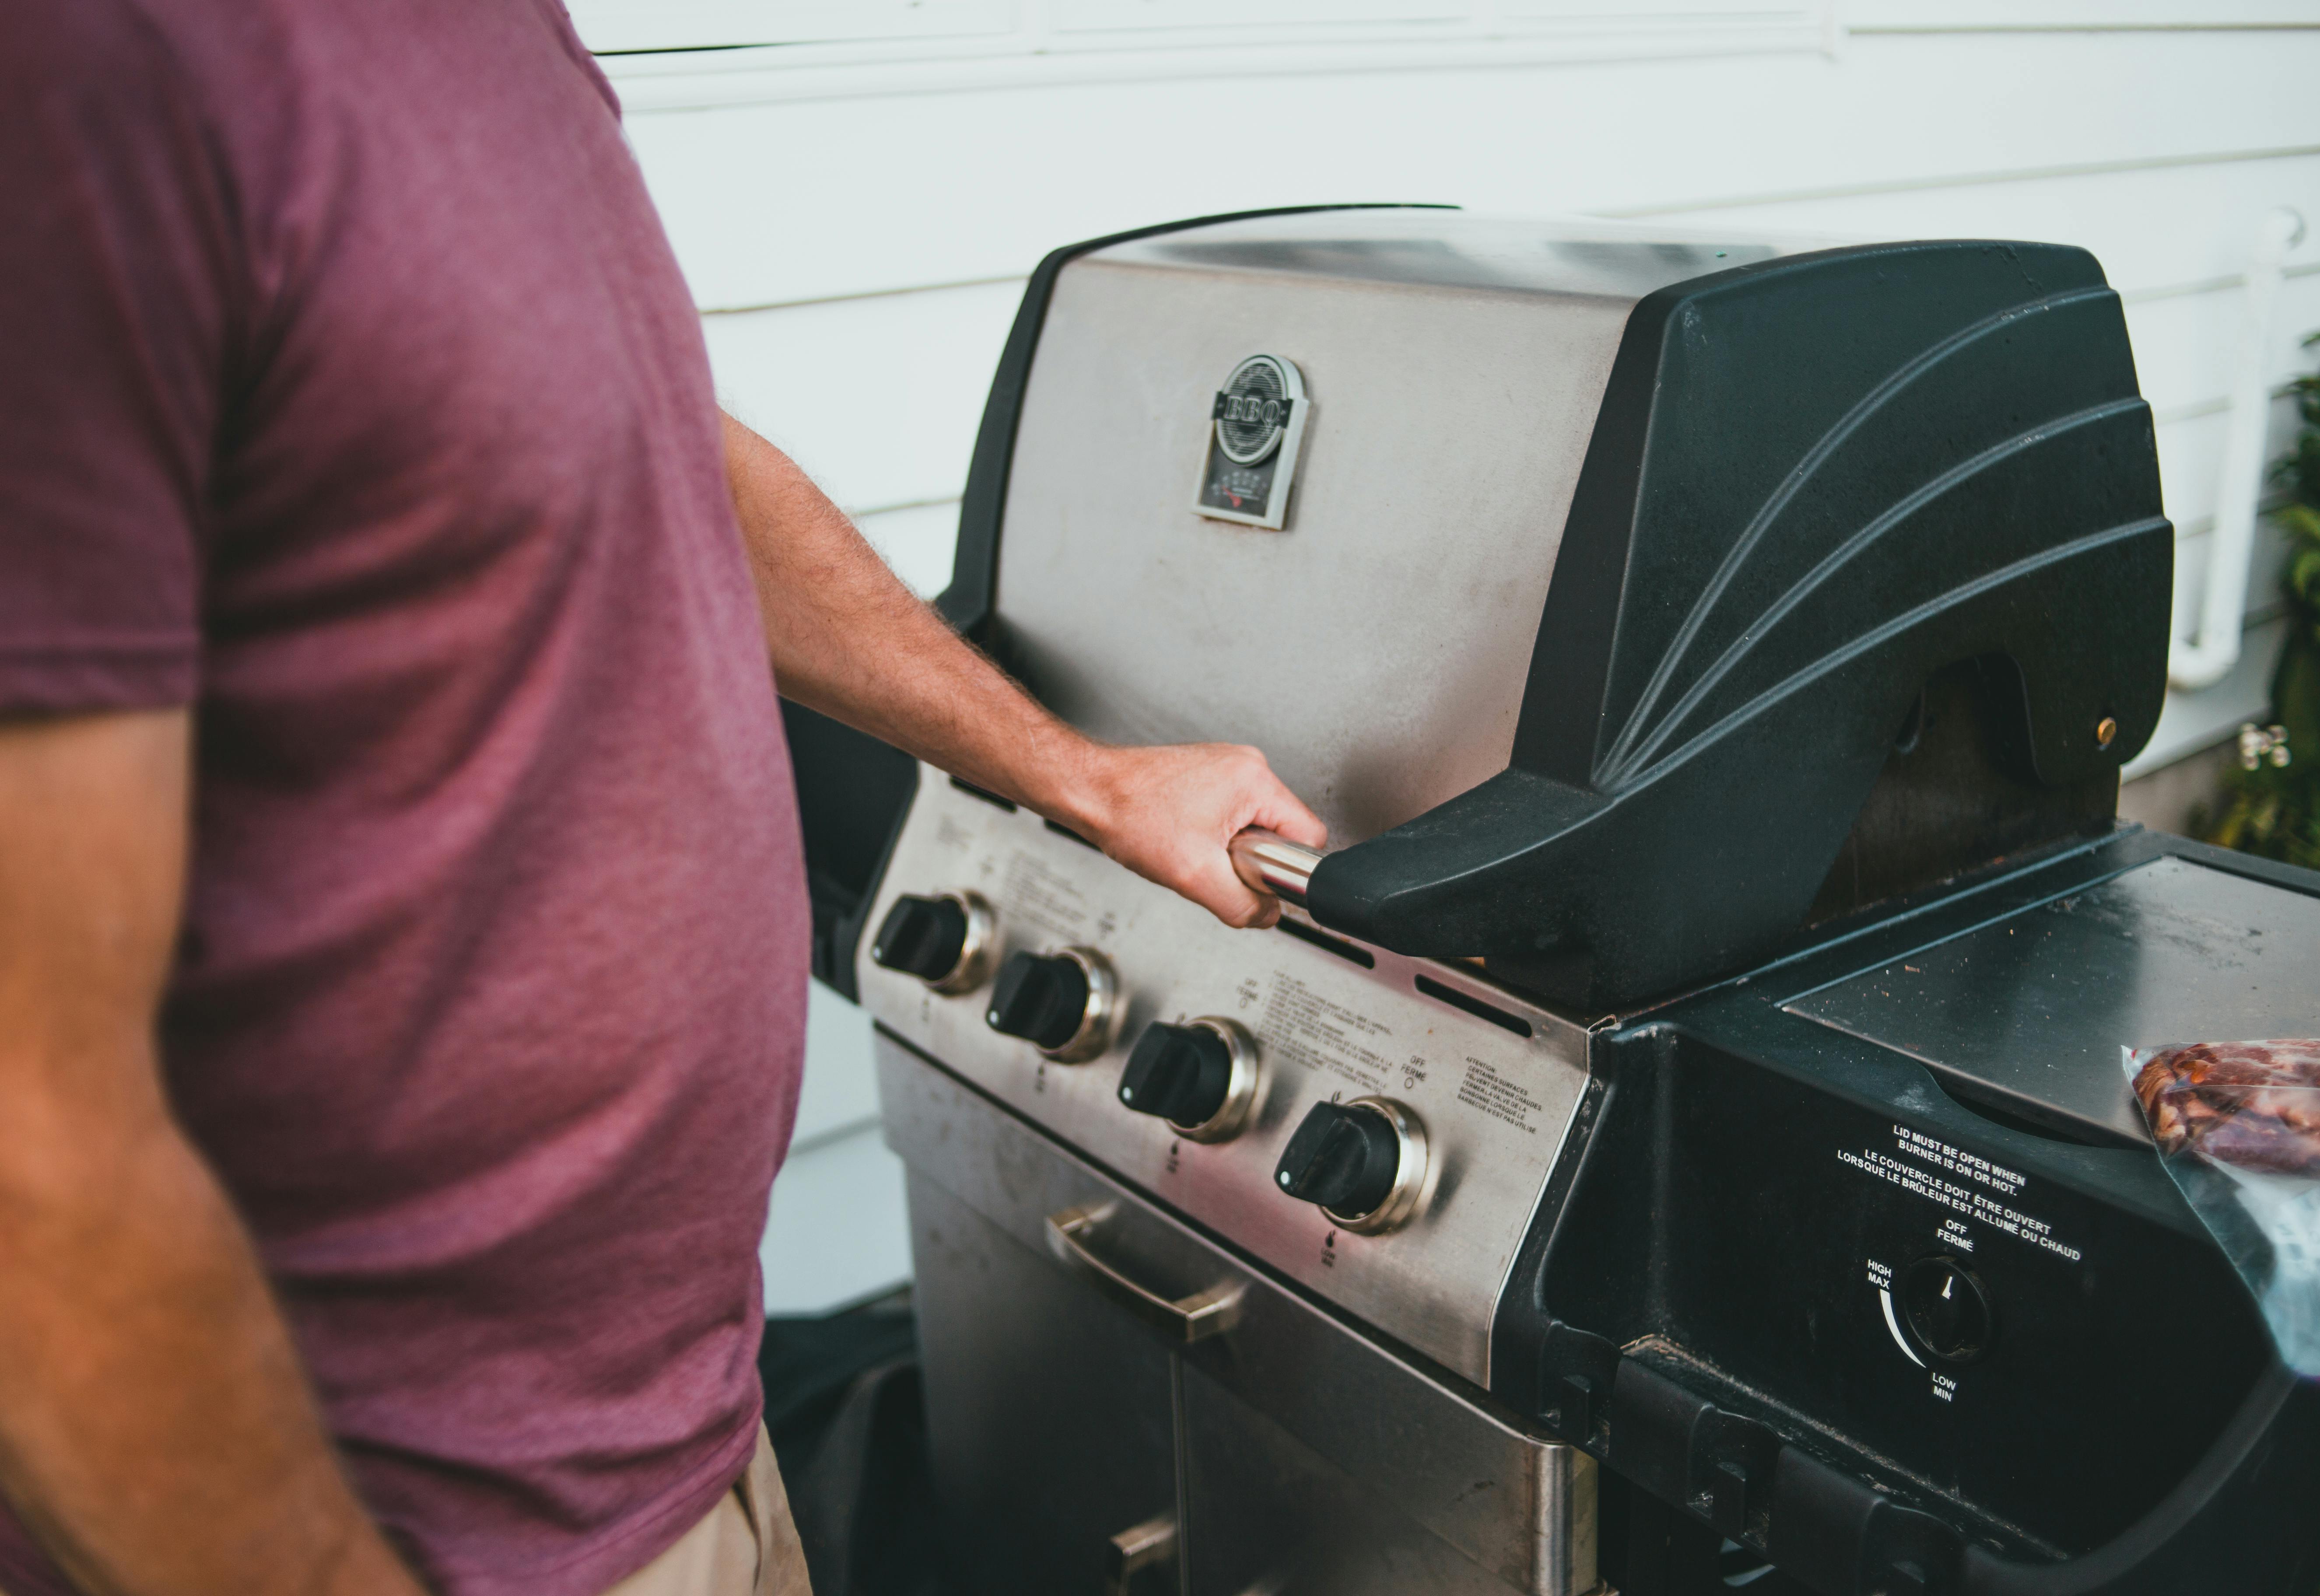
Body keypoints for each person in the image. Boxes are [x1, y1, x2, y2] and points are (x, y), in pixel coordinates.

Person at [0, 4, 1327, 1594]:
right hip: (402, 1532)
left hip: (672, 1438)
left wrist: (1081, 779)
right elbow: (32, 1149)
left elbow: (639, 435)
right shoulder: (88, 66)